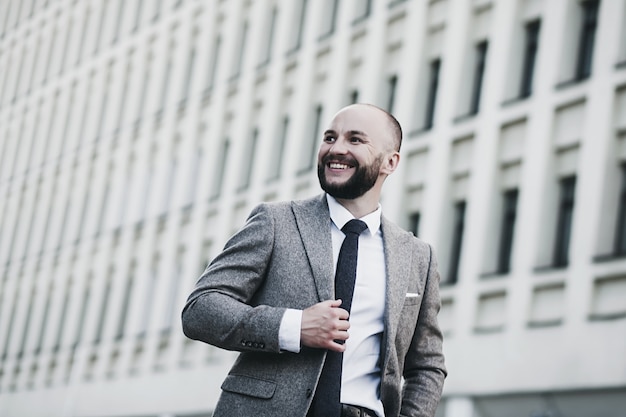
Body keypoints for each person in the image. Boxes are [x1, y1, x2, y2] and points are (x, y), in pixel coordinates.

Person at [181, 103, 447, 417]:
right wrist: (294, 327)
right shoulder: (276, 222)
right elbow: (201, 309)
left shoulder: (418, 256)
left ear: (390, 162)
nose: (337, 149)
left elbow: (427, 364)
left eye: (355, 140)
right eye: (330, 138)